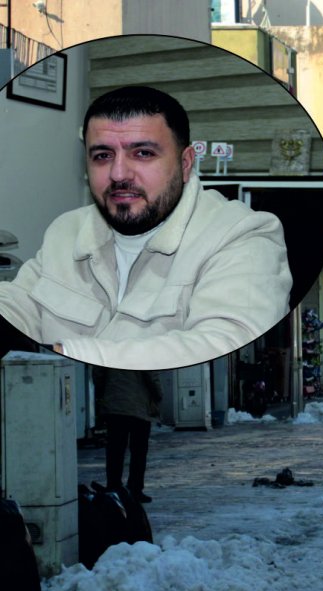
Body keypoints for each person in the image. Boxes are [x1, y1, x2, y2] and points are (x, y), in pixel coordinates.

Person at [0, 86, 292, 370]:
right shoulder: (66, 230)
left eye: (142, 153)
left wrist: (66, 354)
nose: (118, 174)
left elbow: (226, 341)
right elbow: (19, 304)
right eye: (102, 155)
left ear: (186, 163)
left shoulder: (244, 234)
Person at [94, 367, 162, 503]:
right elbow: (151, 375)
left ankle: (114, 487)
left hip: (115, 404)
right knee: (139, 451)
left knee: (115, 450)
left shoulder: (108, 347)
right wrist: (158, 394)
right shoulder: (142, 347)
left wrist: (103, 392)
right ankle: (135, 489)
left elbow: (98, 373)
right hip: (140, 406)